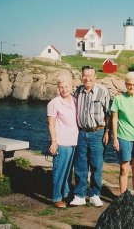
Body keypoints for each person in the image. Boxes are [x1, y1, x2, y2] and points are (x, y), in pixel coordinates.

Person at [70, 65, 111, 207]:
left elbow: (109, 114)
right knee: (80, 165)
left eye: (90, 75)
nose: (87, 78)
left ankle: (94, 194)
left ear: (95, 77)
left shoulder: (103, 91)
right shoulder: (78, 91)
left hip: (97, 133)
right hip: (81, 133)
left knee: (96, 166)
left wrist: (107, 132)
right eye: (85, 75)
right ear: (81, 76)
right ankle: (80, 195)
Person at [47, 74, 79, 208]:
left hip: (74, 142)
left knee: (68, 171)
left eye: (66, 86)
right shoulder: (54, 103)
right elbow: (51, 124)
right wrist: (54, 142)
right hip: (61, 142)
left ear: (71, 87)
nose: (64, 89)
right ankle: (56, 198)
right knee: (59, 171)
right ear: (58, 89)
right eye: (61, 87)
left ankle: (66, 194)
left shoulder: (75, 101)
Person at [111, 71, 134, 194]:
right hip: (123, 138)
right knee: (124, 168)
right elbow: (115, 119)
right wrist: (115, 138)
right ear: (125, 84)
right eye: (129, 84)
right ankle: (123, 196)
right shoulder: (118, 99)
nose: (132, 87)